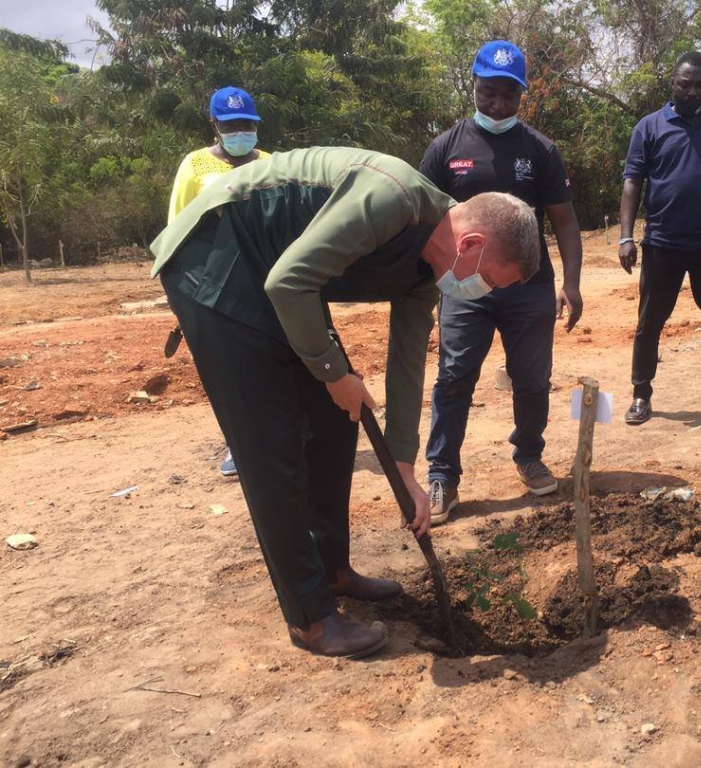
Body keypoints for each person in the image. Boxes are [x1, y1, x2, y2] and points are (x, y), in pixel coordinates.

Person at [150, 147, 541, 657]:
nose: (482, 292)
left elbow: (406, 362)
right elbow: (288, 281)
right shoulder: (393, 198)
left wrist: (403, 469)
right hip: (218, 259)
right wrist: (335, 372)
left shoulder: (429, 268)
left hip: (280, 276)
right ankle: (309, 619)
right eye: (490, 281)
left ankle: (332, 570)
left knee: (337, 420)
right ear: (470, 244)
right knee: (273, 447)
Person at [421, 40, 584, 524]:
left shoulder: (540, 150)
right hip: (463, 287)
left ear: (521, 95)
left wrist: (571, 283)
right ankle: (443, 476)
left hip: (527, 288)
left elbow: (567, 222)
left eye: (508, 96)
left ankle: (529, 455)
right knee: (454, 379)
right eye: (488, 93)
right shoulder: (445, 148)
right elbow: (422, 217)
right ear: (473, 86)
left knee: (532, 380)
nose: (497, 105)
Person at [618, 51, 701, 426]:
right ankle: (640, 395)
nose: (693, 92)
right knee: (649, 323)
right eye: (686, 84)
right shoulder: (649, 127)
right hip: (662, 243)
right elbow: (633, 181)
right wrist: (626, 236)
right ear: (673, 83)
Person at [168, 86, 271, 477]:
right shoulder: (195, 166)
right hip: (216, 280)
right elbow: (178, 225)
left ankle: (281, 435)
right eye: (231, 125)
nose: (240, 131)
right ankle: (239, 443)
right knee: (231, 365)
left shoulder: (272, 162)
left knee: (273, 359)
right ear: (215, 125)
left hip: (265, 274)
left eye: (247, 124)